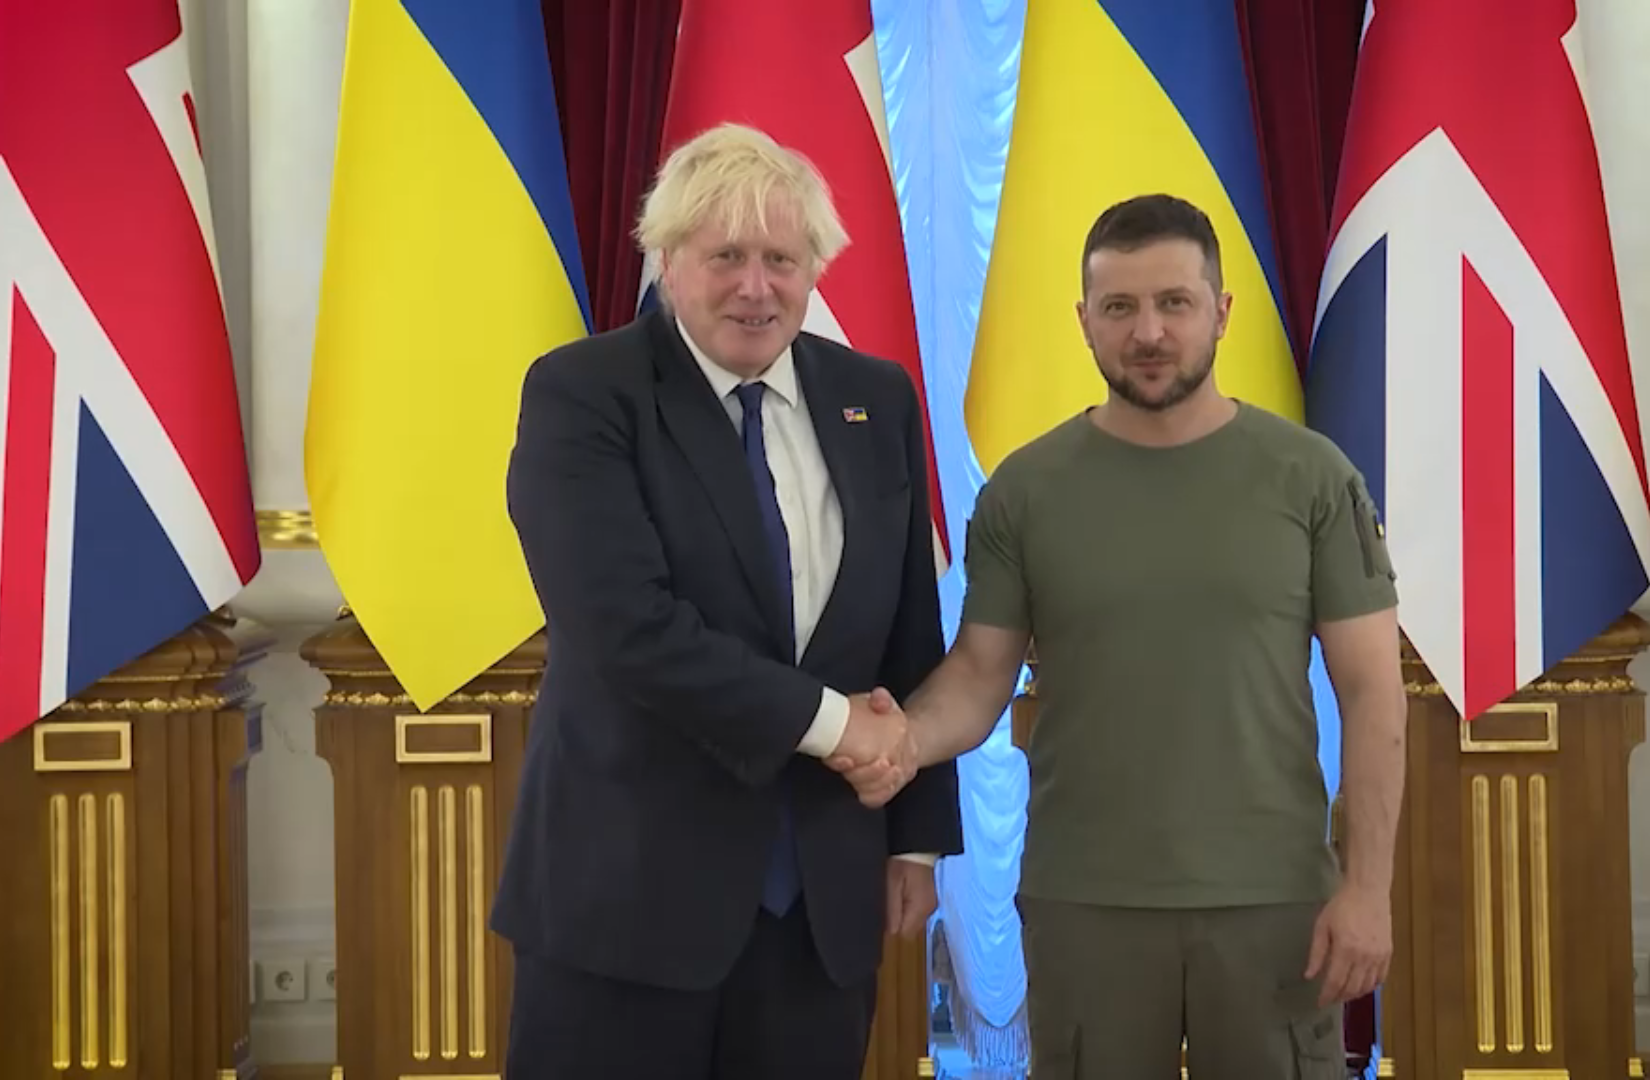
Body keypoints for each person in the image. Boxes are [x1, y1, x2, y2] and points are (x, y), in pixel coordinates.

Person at [834, 194, 1407, 1079]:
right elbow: (979, 678)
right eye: (1120, 307)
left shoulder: (1313, 479)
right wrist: (894, 738)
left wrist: (1367, 888)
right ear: (1084, 321)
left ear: (1221, 311)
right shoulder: (1025, 491)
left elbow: (1372, 693)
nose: (1149, 332)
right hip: (1084, 904)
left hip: (1273, 902)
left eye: (1175, 303)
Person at [491, 122, 964, 1080]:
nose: (756, 287)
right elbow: (626, 630)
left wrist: (915, 842)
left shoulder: (876, 398)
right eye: (726, 258)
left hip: (822, 907)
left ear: (815, 268)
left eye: (781, 260)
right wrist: (839, 726)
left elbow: (908, 626)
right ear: (667, 261)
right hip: (626, 905)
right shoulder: (585, 392)